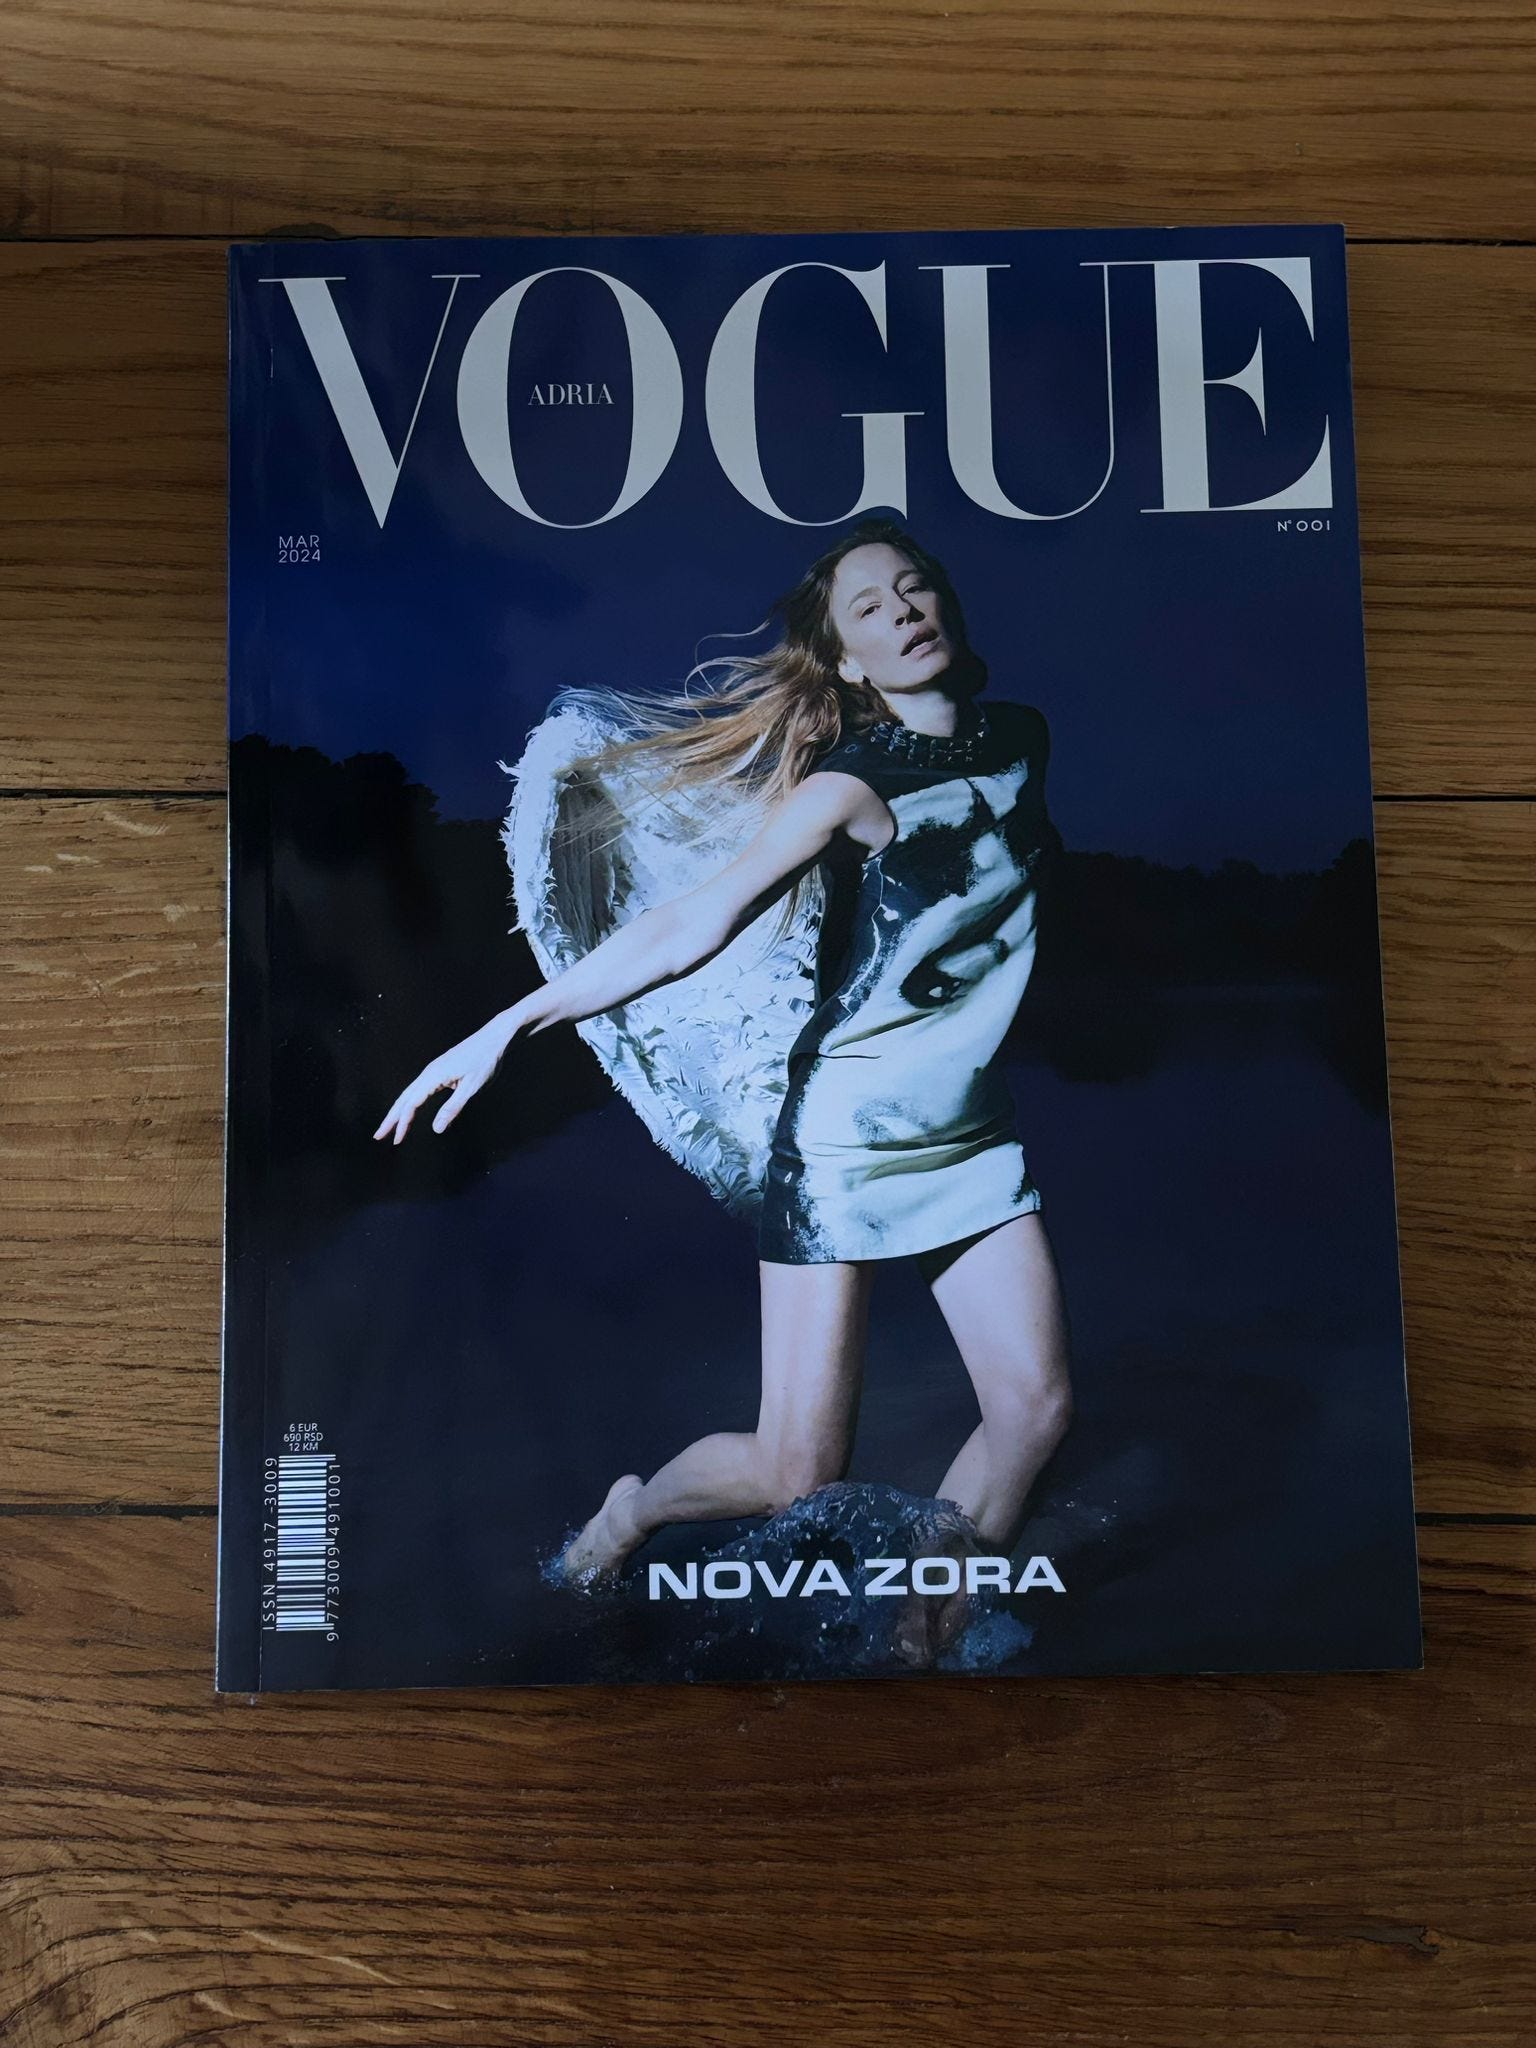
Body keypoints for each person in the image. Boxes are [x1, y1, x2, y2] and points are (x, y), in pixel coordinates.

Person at [374, 518, 1074, 1603]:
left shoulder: (1024, 736)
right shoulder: (845, 787)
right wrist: (504, 1026)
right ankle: (629, 1514)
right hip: (845, 1143)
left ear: (948, 602)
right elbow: (690, 922)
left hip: (970, 1128)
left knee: (1032, 1411)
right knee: (796, 1471)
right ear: (849, 662)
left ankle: (921, 1639)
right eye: (870, 608)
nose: (903, 612)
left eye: (915, 587)